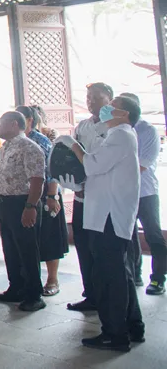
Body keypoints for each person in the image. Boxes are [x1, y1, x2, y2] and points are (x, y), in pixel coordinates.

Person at [64, 96, 144, 352]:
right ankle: (131, 326)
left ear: (125, 114)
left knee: (112, 277)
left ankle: (115, 333)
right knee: (118, 274)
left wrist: (74, 146)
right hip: (105, 214)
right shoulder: (115, 134)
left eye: (114, 104)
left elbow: (93, 164)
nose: (107, 107)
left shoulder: (121, 135)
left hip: (109, 216)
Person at [0, 110, 48, 312]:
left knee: (27, 250)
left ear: (14, 124)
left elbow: (37, 180)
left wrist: (31, 206)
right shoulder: (3, 148)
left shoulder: (29, 147)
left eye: (0, 123)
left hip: (23, 203)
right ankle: (16, 287)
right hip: (5, 203)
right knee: (10, 249)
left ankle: (34, 294)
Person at [66, 82, 113, 313]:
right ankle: (91, 293)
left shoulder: (115, 128)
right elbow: (74, 158)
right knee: (84, 246)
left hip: (104, 198)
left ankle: (109, 296)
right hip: (82, 197)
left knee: (103, 248)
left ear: (109, 99)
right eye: (88, 97)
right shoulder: (82, 126)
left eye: (96, 97)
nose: (90, 101)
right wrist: (77, 185)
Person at [16, 106, 68, 297]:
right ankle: (29, 280)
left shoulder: (41, 141)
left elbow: (52, 170)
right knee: (30, 240)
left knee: (49, 238)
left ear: (30, 120)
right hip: (25, 194)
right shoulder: (17, 141)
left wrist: (52, 196)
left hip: (46, 194)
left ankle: (52, 279)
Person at [121, 93, 166, 295]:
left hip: (146, 192)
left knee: (153, 234)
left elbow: (141, 165)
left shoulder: (146, 130)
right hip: (123, 193)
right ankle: (135, 274)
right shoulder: (115, 131)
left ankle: (158, 278)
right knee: (128, 236)